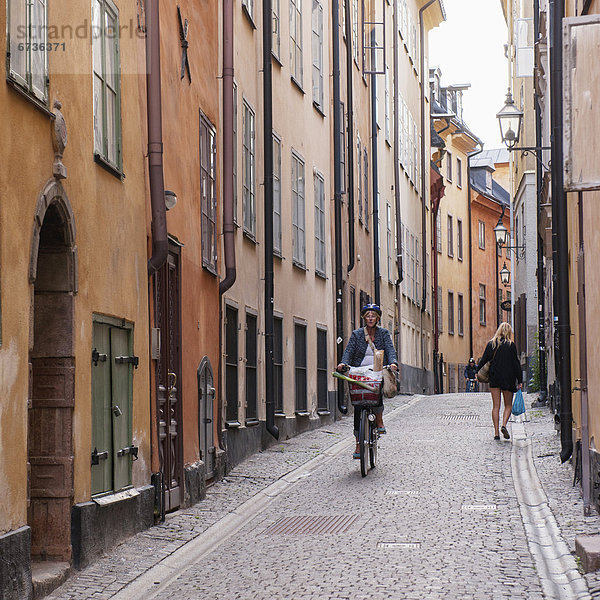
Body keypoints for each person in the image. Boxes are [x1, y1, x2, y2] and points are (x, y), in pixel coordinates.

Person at [336, 304, 399, 458]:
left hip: (377, 369)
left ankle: (379, 419)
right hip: (359, 371)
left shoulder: (383, 334)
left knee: (376, 394)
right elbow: (349, 350)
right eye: (368, 316)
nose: (371, 318)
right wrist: (343, 364)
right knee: (358, 406)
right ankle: (358, 443)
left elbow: (390, 349)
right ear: (365, 318)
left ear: (377, 318)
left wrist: (393, 363)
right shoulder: (357, 334)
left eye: (373, 316)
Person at [477, 322, 522, 441]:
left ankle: (496, 432)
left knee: (496, 406)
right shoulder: (511, 345)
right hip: (508, 378)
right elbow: (516, 364)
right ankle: (504, 425)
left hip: (494, 377)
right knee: (508, 405)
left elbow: (484, 359)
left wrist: (477, 371)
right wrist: (520, 380)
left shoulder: (491, 344)